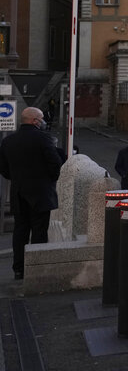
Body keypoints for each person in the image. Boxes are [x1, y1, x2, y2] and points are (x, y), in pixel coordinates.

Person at [0, 107, 66, 279]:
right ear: (35, 120)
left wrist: (16, 178)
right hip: (41, 192)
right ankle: (35, 268)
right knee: (39, 231)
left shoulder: (8, 141)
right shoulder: (44, 139)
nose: (43, 121)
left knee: (20, 231)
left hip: (19, 192)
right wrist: (49, 179)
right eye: (42, 118)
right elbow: (55, 164)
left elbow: (4, 168)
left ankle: (19, 269)